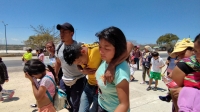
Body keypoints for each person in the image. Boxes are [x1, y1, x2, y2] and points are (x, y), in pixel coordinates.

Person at [63, 40, 132, 112]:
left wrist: (112, 65)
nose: (80, 63)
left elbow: (129, 44)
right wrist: (82, 70)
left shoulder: (96, 50)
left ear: (83, 51)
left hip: (100, 90)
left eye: (80, 61)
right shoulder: (78, 54)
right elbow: (78, 64)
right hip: (89, 86)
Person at [95, 26, 130, 112]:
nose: (101, 51)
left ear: (117, 48)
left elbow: (124, 104)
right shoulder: (106, 60)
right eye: (100, 47)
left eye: (106, 48)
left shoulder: (120, 70)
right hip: (102, 105)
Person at [54, 22, 86, 112]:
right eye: (60, 32)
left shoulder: (79, 47)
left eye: (64, 31)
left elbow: (86, 62)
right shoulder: (59, 46)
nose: (61, 34)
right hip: (64, 80)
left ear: (72, 33)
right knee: (65, 102)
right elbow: (58, 62)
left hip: (78, 80)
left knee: (76, 104)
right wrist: (55, 75)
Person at [169, 37, 198, 112]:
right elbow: (174, 91)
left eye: (182, 53)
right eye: (178, 55)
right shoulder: (183, 65)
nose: (180, 57)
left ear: (193, 50)